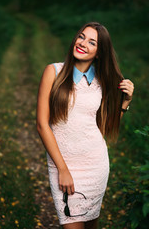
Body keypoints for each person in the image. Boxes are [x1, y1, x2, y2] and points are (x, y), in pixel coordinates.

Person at [36, 22, 134, 229]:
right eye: (81, 37)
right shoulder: (53, 72)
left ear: (99, 53)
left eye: (92, 42)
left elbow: (103, 128)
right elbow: (42, 125)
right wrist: (62, 169)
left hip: (96, 166)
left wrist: (125, 103)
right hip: (63, 165)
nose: (82, 43)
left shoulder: (102, 82)